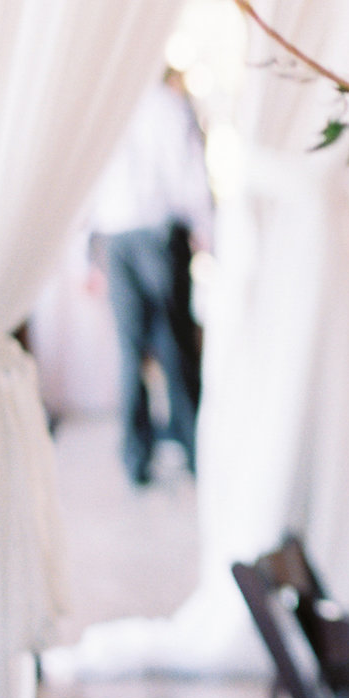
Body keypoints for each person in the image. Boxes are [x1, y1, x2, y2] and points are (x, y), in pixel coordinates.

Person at [88, 74, 213, 487]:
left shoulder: (107, 108)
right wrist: (207, 229)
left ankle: (136, 458)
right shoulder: (169, 104)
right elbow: (191, 171)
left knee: (130, 349)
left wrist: (90, 254)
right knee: (176, 346)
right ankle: (194, 450)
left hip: (116, 235)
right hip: (159, 233)